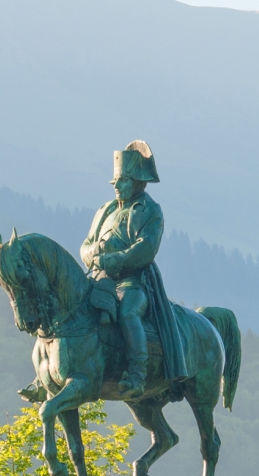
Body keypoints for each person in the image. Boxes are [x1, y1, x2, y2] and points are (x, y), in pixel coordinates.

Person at [80, 140, 187, 399]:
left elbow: (145, 249)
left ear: (138, 182)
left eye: (123, 180)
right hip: (100, 280)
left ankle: (137, 374)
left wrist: (112, 260)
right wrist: (92, 256)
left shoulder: (150, 211)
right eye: (115, 181)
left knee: (128, 312)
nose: (116, 185)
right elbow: (86, 244)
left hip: (134, 282)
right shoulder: (105, 210)